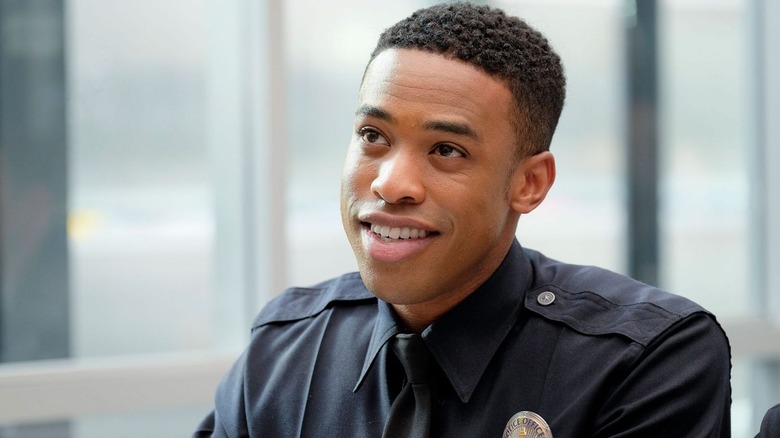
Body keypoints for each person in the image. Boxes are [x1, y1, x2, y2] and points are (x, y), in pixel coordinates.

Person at [194, 2, 731, 436]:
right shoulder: (284, 350)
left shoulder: (644, 362)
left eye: (446, 150)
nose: (389, 184)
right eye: (373, 137)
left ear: (529, 184)